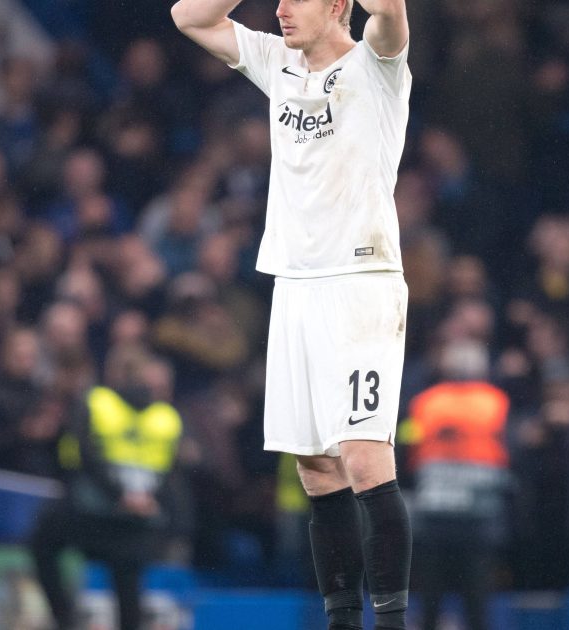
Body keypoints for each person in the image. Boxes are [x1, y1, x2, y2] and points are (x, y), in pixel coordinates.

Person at [172, 0, 414, 627]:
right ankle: (341, 621)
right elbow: (189, 17)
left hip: (361, 282)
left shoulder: (378, 65)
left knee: (363, 456)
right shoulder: (277, 64)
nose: (279, 10)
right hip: (296, 284)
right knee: (316, 468)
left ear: (337, 6)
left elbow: (389, 11)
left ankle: (391, 622)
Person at [29, 349, 182, 630]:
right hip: (140, 516)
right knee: (128, 587)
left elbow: (84, 455)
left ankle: (65, 619)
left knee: (42, 543)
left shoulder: (97, 401)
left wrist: (120, 494)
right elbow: (168, 470)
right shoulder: (168, 417)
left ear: (116, 373)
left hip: (95, 511)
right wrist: (146, 498)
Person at [398, 340, 511, 630]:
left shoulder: (425, 402)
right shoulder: (496, 402)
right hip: (480, 516)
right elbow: (508, 452)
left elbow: (407, 446)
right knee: (477, 599)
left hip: (434, 511)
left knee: (430, 597)